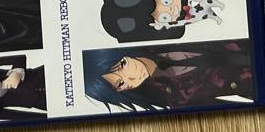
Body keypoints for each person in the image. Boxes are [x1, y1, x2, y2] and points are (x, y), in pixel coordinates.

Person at [82, 42, 254, 110]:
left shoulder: (158, 36)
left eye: (122, 65)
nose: (131, 79)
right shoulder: (172, 97)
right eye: (120, 84)